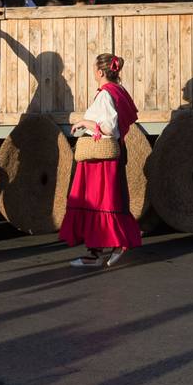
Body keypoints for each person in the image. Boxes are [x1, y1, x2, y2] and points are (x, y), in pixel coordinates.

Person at [60, 53, 142, 267]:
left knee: (98, 201)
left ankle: (104, 250)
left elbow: (108, 128)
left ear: (100, 72)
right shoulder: (119, 91)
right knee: (106, 201)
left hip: (101, 159)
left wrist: (84, 123)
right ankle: (96, 250)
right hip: (112, 154)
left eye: (94, 68)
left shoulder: (106, 94)